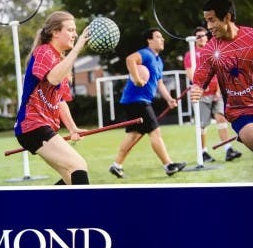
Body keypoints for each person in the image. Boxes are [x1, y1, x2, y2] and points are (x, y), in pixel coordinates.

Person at [190, 0, 253, 181]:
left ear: (227, 17)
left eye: (212, 20)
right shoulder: (210, 49)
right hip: (241, 112)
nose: (209, 27)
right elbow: (201, 76)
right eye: (206, 21)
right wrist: (197, 87)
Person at [13, 11, 91, 185]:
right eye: (70, 30)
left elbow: (60, 100)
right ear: (55, 32)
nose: (75, 35)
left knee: (71, 178)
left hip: (41, 127)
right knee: (78, 165)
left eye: (75, 31)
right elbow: (53, 78)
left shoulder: (59, 59)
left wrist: (72, 128)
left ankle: (42, 211)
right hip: (32, 126)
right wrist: (78, 48)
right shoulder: (44, 52)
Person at [109, 29, 186, 179]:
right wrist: (137, 79)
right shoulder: (146, 53)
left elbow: (160, 83)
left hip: (137, 101)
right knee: (155, 132)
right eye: (158, 37)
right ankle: (169, 165)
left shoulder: (159, 61)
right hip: (137, 100)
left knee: (133, 135)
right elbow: (130, 59)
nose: (162, 39)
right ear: (149, 41)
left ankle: (116, 165)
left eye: (162, 37)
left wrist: (169, 99)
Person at [184, 26, 241, 163]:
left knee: (221, 118)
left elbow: (220, 70)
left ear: (207, 36)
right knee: (202, 124)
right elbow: (190, 72)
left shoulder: (213, 51)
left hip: (217, 92)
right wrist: (200, 85)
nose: (201, 38)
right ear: (195, 39)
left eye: (203, 35)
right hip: (201, 94)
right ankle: (203, 152)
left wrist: (219, 90)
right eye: (198, 36)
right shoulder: (191, 54)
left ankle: (228, 149)